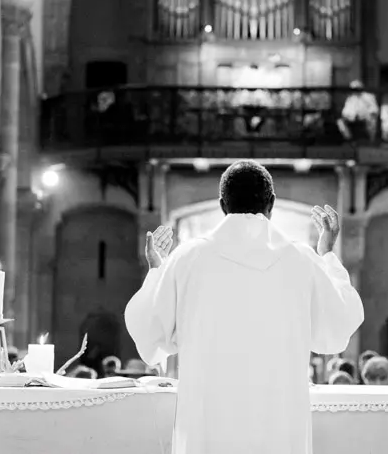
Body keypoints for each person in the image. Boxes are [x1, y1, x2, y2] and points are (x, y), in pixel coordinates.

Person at [125, 160, 364, 454]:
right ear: (272, 203)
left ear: (222, 205)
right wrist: (327, 255)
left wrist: (156, 271)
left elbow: (151, 336)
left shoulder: (187, 258)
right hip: (279, 423)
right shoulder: (302, 260)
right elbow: (338, 328)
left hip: (207, 423)